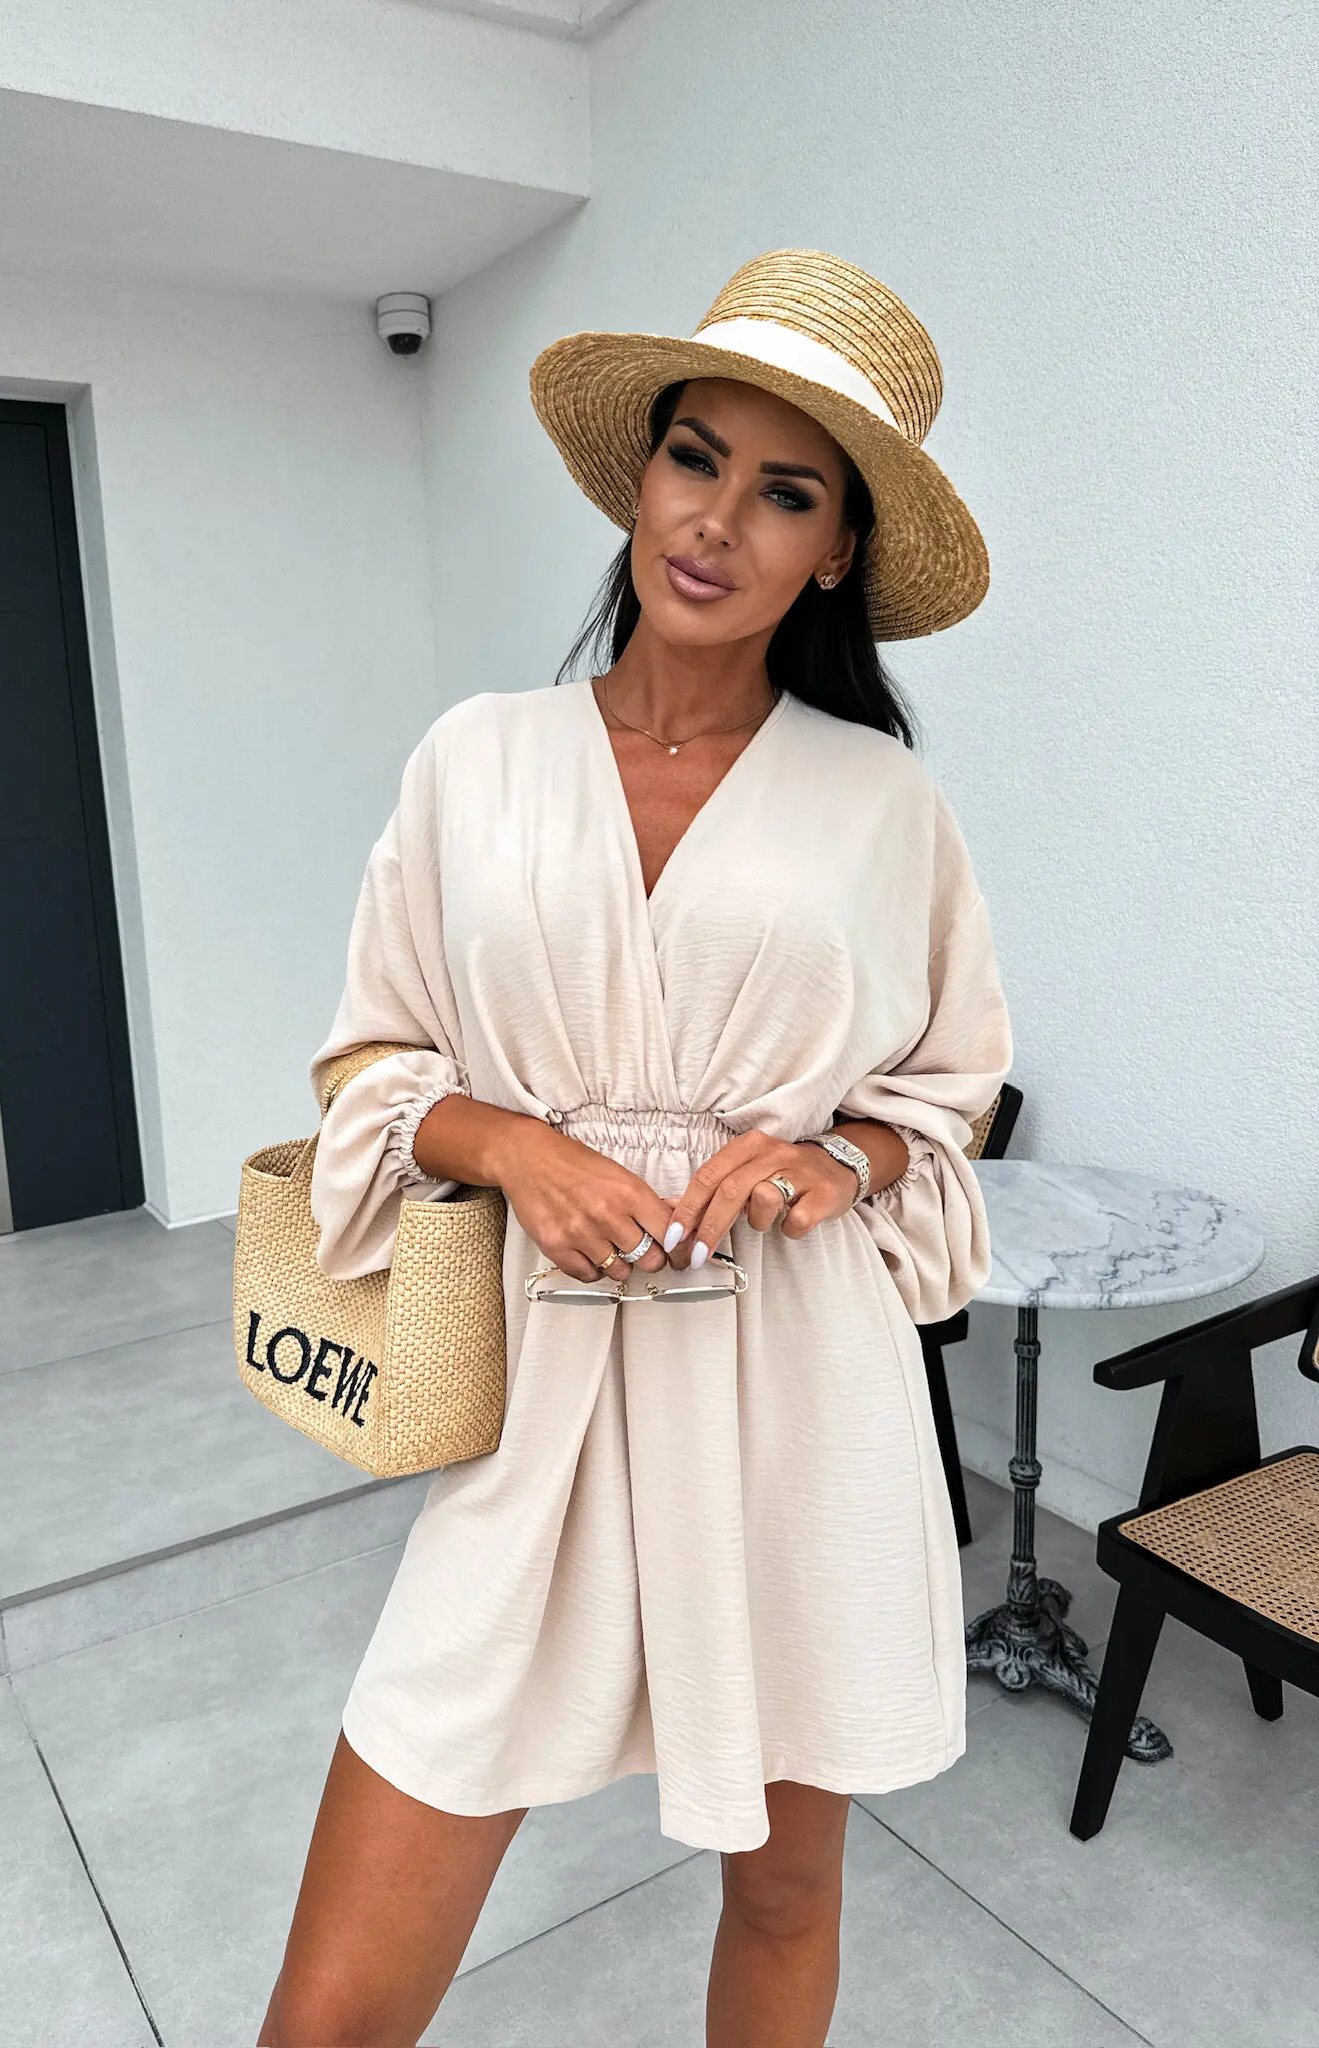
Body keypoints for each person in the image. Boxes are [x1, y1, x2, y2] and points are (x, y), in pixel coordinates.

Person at [259, 249, 1013, 2048]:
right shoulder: (477, 758)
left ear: (836, 550)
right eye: (695, 458)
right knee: (337, 2002)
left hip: (796, 1390)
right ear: (639, 478)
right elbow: (370, 1058)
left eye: (787, 491)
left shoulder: (883, 799)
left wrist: (841, 1161)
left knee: (785, 1891)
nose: (719, 522)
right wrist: (513, 1145)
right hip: (541, 1388)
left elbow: (947, 1087)